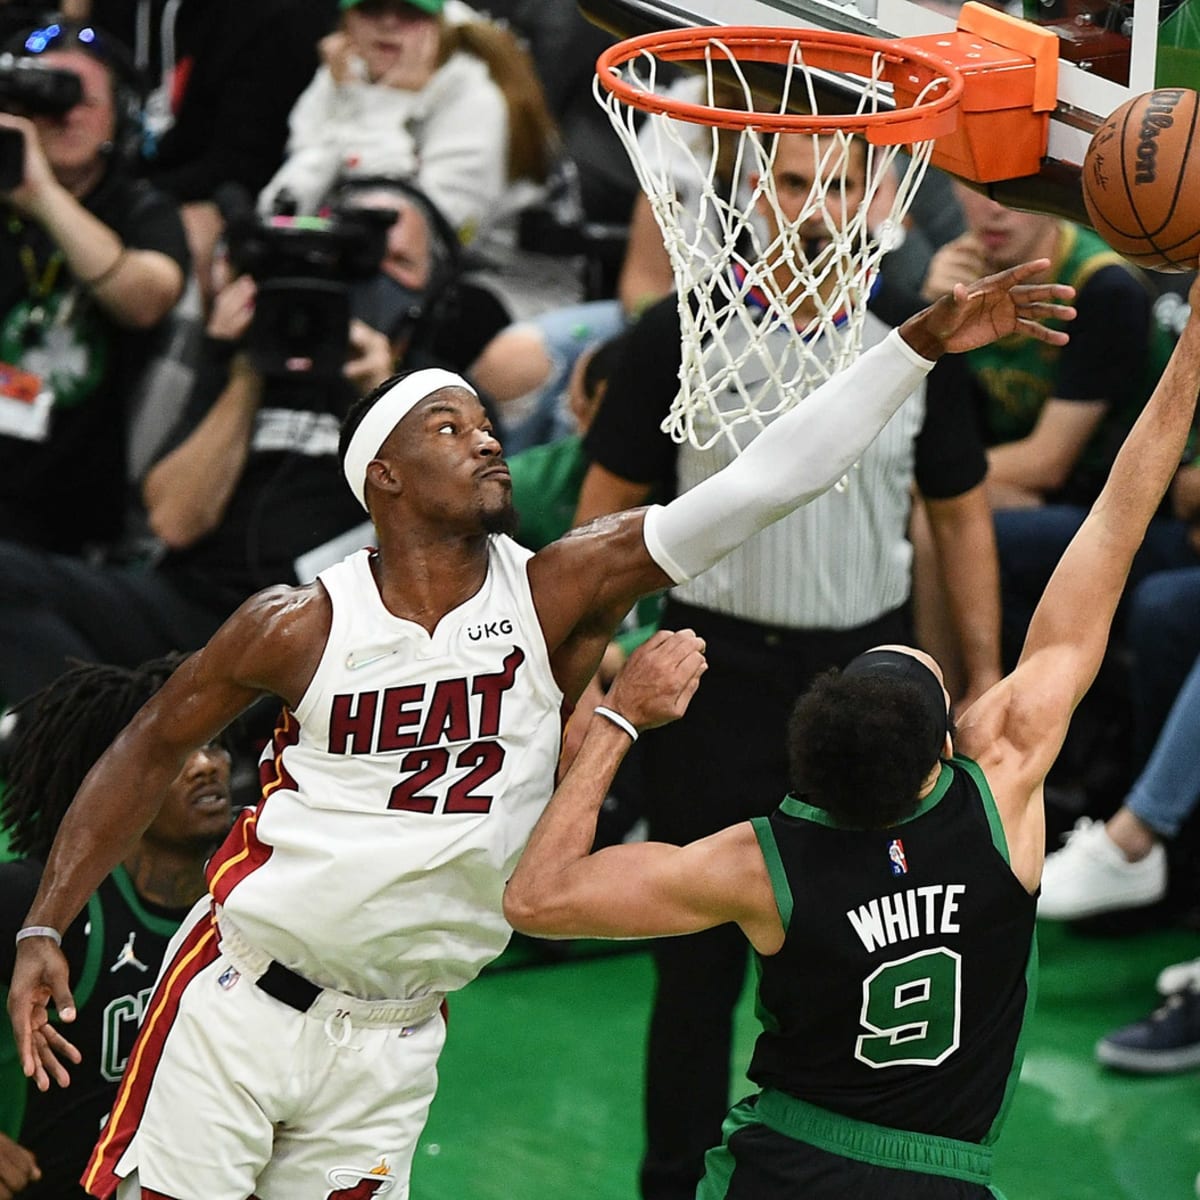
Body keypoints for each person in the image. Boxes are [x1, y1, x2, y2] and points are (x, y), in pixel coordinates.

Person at [5, 257, 1072, 1198]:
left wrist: (918, 342)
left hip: (398, 1033)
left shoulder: (558, 587)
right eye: (448, 427)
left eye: (485, 421)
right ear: (384, 476)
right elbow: (145, 742)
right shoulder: (298, 622)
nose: (485, 440)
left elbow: (763, 482)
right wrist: (48, 924)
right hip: (244, 1001)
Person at [503, 270, 1200, 1200]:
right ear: (939, 761)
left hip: (784, 1164)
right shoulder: (1000, 795)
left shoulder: (762, 862)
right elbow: (1115, 522)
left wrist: (620, 719)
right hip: (942, 1175)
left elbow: (537, 900)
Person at [574, 132, 1007, 1200]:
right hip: (711, 679)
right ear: (751, 199)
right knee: (696, 971)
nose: (816, 206)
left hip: (863, 689)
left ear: (881, 205)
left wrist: (986, 676)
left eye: (842, 183)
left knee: (854, 946)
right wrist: (594, 657)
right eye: (795, 181)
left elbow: (960, 520)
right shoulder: (671, 337)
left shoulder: (915, 350)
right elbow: (602, 513)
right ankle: (672, 1183)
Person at [0, 177, 481, 710]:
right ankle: (75, 745)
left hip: (337, 634)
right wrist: (249, 371)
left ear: (433, 291)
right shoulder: (244, 355)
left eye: (399, 262)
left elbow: (470, 524)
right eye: (356, 258)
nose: (373, 279)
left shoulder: (442, 393)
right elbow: (175, 521)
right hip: (201, 611)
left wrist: (386, 398)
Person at [0, 656, 233, 1199]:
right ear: (113, 782)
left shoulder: (259, 897)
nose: (207, 765)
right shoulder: (37, 906)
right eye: (177, 754)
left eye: (216, 743)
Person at [0, 19, 188, 556]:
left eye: (82, 98)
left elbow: (146, 299)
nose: (64, 113)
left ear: (121, 114)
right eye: (44, 94)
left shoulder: (141, 208)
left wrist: (40, 195)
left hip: (71, 519)